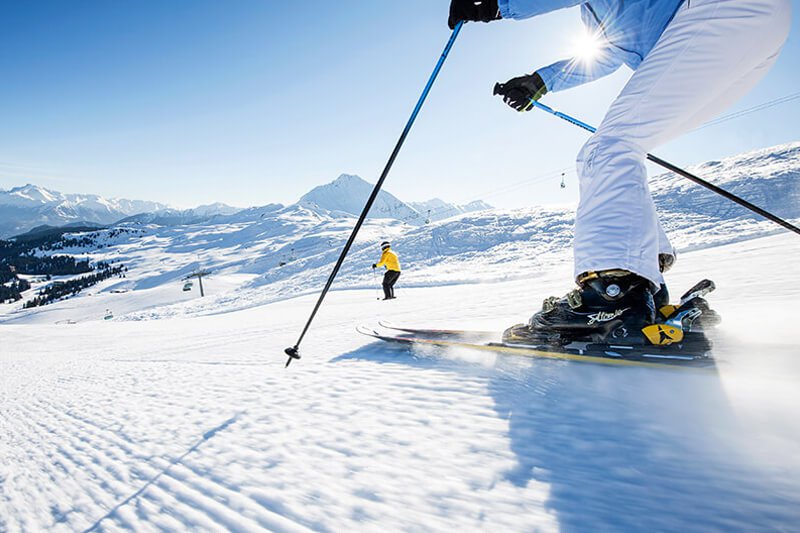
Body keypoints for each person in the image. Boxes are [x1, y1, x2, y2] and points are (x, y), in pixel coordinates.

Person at [448, 0, 790, 343]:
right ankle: (645, 290)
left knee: (607, 150)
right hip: (744, 31)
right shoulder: (599, 12)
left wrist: (497, 6)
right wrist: (540, 81)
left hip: (719, 13)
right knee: (619, 146)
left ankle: (614, 296)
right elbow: (607, 53)